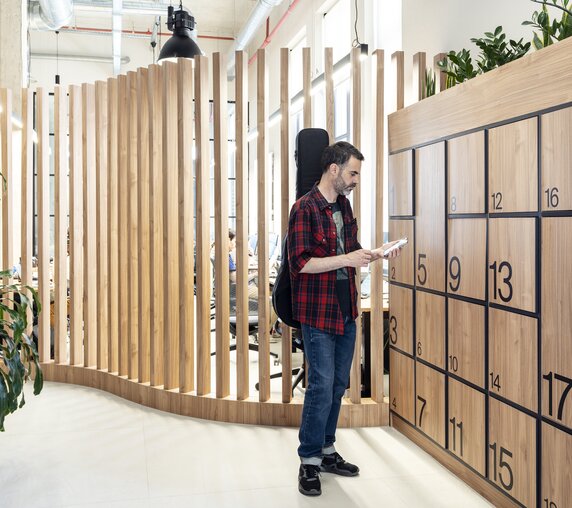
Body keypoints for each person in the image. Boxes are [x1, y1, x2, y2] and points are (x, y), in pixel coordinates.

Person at [287, 141, 402, 496]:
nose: (355, 180)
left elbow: (350, 252)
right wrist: (347, 260)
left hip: (345, 309)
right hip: (317, 312)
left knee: (337, 386)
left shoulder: (344, 207)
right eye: (352, 173)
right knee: (320, 387)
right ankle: (308, 460)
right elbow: (300, 264)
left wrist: (375, 254)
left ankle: (326, 450)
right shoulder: (304, 208)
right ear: (333, 169)